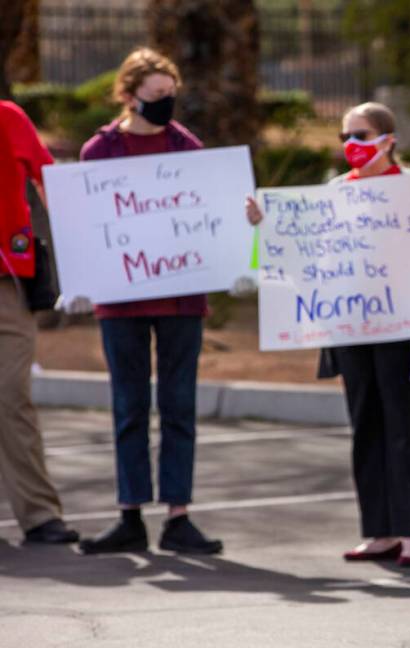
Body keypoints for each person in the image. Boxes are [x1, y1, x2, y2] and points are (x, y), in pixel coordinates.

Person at [246, 102, 410, 566]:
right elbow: (303, 256)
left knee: (408, 427)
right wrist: (268, 225)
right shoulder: (334, 193)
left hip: (407, 327)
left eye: (362, 135)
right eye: (345, 137)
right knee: (366, 424)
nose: (352, 145)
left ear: (388, 139)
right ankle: (379, 531)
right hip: (352, 325)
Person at [65, 48, 222, 555]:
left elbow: (209, 214)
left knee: (179, 406)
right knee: (129, 406)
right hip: (121, 299)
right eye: (157, 96)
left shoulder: (188, 148)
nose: (166, 104)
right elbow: (85, 223)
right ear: (130, 96)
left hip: (181, 298)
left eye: (171, 95)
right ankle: (129, 514)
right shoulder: (100, 152)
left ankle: (179, 517)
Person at [0, 99, 80, 545]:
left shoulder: (8, 117)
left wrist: (87, 246)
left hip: (8, 286)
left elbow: (52, 183)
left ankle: (39, 514)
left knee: (12, 397)